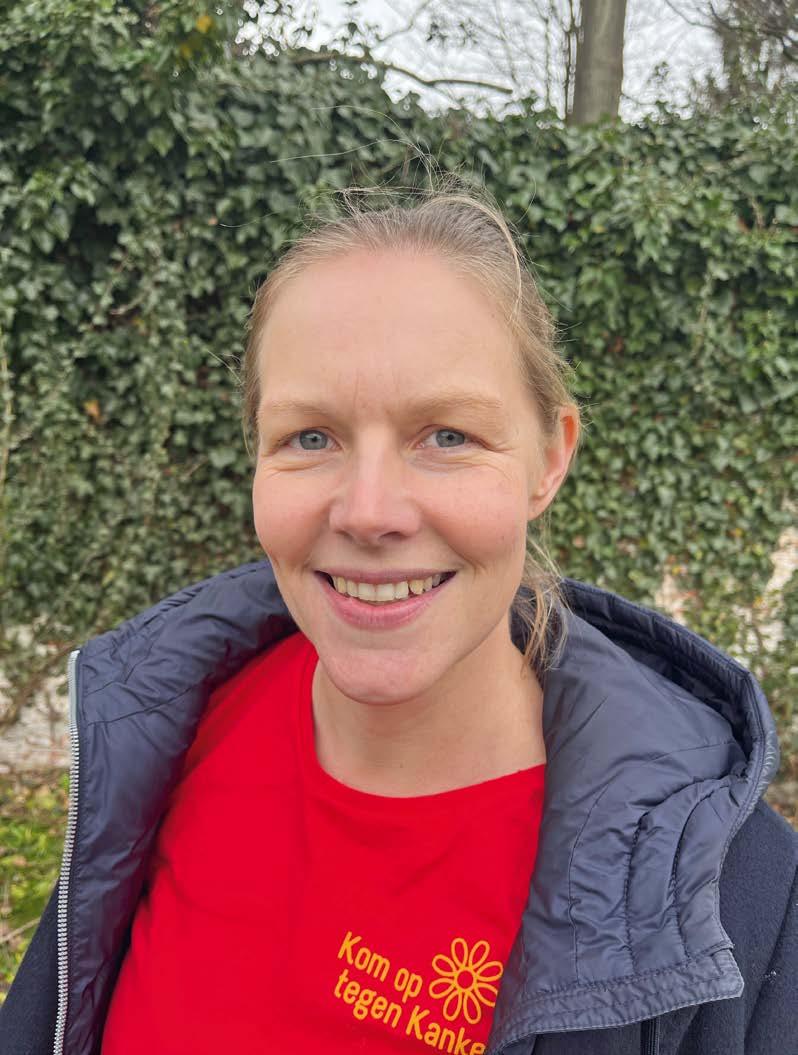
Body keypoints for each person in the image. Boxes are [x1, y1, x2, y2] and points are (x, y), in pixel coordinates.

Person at [1, 186, 795, 1055]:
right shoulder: (154, 744)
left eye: (447, 435)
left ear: (550, 457)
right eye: (311, 437)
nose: (369, 511)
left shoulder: (729, 895)